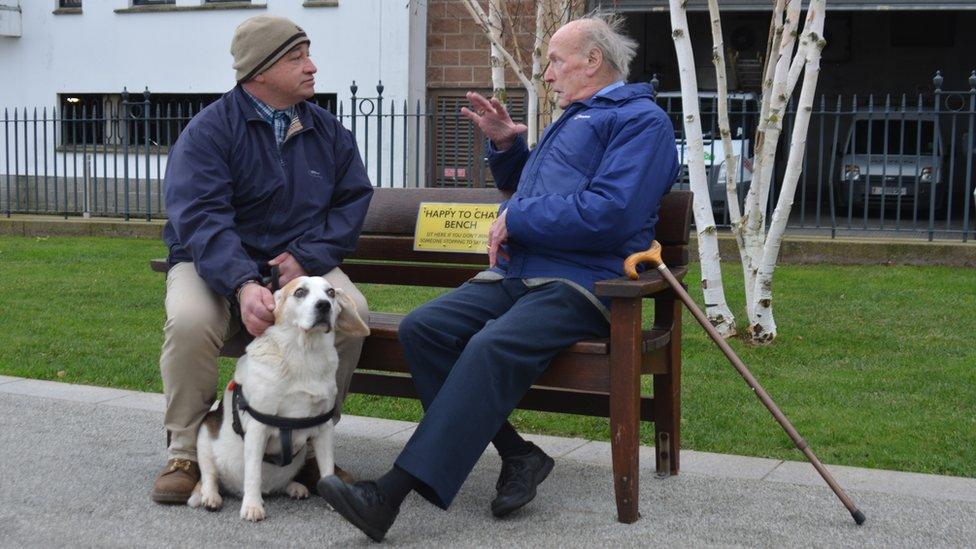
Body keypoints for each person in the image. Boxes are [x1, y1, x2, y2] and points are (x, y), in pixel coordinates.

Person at [317, 14, 679, 541]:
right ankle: (519, 454)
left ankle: (387, 495)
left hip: (585, 285)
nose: (548, 74)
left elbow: (613, 214)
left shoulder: (639, 122)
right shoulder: (578, 116)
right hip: (519, 275)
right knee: (424, 329)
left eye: (556, 60)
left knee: (489, 346)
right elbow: (537, 193)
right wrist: (508, 148)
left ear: (593, 61)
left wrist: (518, 219)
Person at [151, 15, 373, 505]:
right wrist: (242, 282)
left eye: (308, 54)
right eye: (296, 58)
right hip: (212, 262)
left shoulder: (328, 131)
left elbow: (352, 200)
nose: (312, 67)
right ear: (259, 71)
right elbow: (201, 216)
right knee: (190, 321)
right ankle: (186, 451)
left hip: (298, 263)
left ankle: (313, 446)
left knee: (351, 311)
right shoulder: (209, 131)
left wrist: (306, 259)